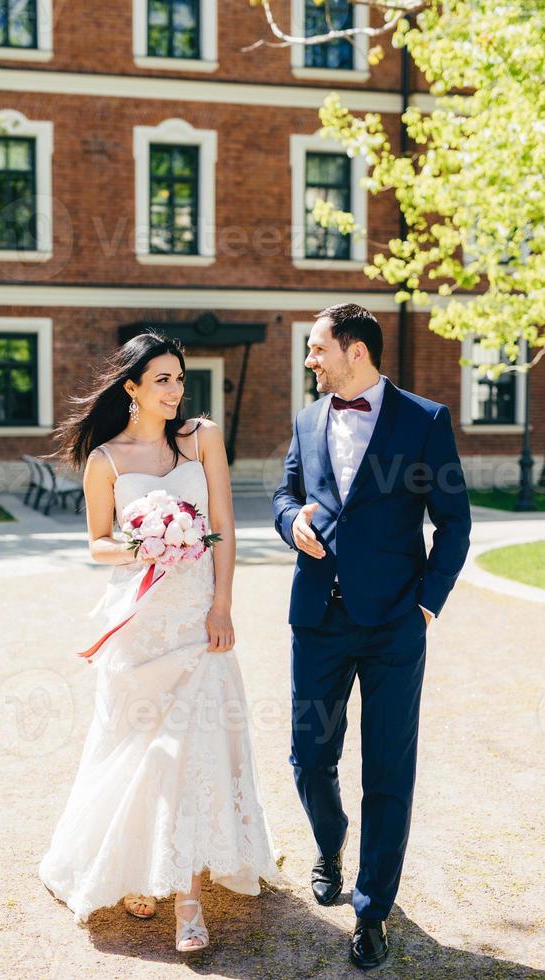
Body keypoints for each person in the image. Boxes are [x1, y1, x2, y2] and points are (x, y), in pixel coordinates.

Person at [38, 330, 278, 954]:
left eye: (180, 378)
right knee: (139, 750)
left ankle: (189, 900)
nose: (176, 391)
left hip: (199, 621)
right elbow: (96, 543)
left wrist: (222, 605)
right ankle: (141, 866)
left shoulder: (203, 439)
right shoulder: (105, 461)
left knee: (192, 751)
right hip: (140, 625)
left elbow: (223, 527)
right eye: (163, 380)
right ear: (132, 389)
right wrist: (144, 544)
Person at [272, 303, 471, 969]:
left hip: (394, 627)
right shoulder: (306, 421)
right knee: (308, 752)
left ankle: (372, 909)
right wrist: (290, 518)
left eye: (317, 348)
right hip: (318, 620)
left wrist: (427, 607)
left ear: (354, 350)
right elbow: (284, 494)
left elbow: (455, 522)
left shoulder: (425, 421)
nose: (310, 360)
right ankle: (329, 843)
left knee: (389, 771)